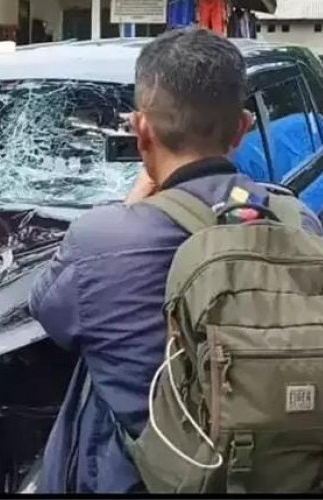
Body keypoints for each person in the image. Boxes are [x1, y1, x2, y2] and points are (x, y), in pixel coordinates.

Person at [28, 28, 323, 494]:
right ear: (244, 127)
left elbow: (48, 313)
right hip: (278, 476)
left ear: (141, 128)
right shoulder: (298, 219)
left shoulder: (99, 240)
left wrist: (131, 205)